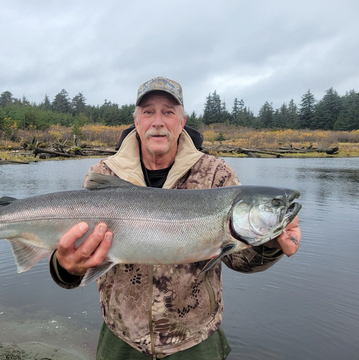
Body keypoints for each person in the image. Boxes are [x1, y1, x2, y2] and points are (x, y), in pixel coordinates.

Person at [49, 76, 301, 359]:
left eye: (168, 112)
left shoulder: (218, 176)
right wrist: (65, 269)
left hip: (195, 341)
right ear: (136, 121)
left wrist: (270, 246)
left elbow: (237, 259)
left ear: (181, 122)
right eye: (148, 112)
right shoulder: (104, 174)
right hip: (121, 338)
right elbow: (77, 256)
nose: (158, 121)